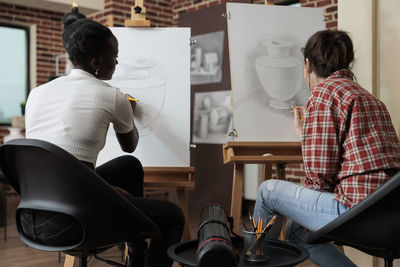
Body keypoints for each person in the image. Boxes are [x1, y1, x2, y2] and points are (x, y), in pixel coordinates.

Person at [23, 16, 184, 267]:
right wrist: (127, 112)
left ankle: (136, 246)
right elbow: (129, 143)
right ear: (96, 62)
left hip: (32, 216)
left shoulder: (37, 93)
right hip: (73, 222)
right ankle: (136, 236)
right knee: (173, 216)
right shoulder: (112, 96)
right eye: (114, 56)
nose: (117, 62)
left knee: (128, 166)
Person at [253, 29, 400, 266]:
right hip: (390, 213)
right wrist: (307, 133)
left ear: (308, 64)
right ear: (347, 63)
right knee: (296, 231)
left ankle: (256, 264)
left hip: (358, 211)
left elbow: (320, 178)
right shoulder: (372, 99)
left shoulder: (324, 93)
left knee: (267, 192)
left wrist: (307, 138)